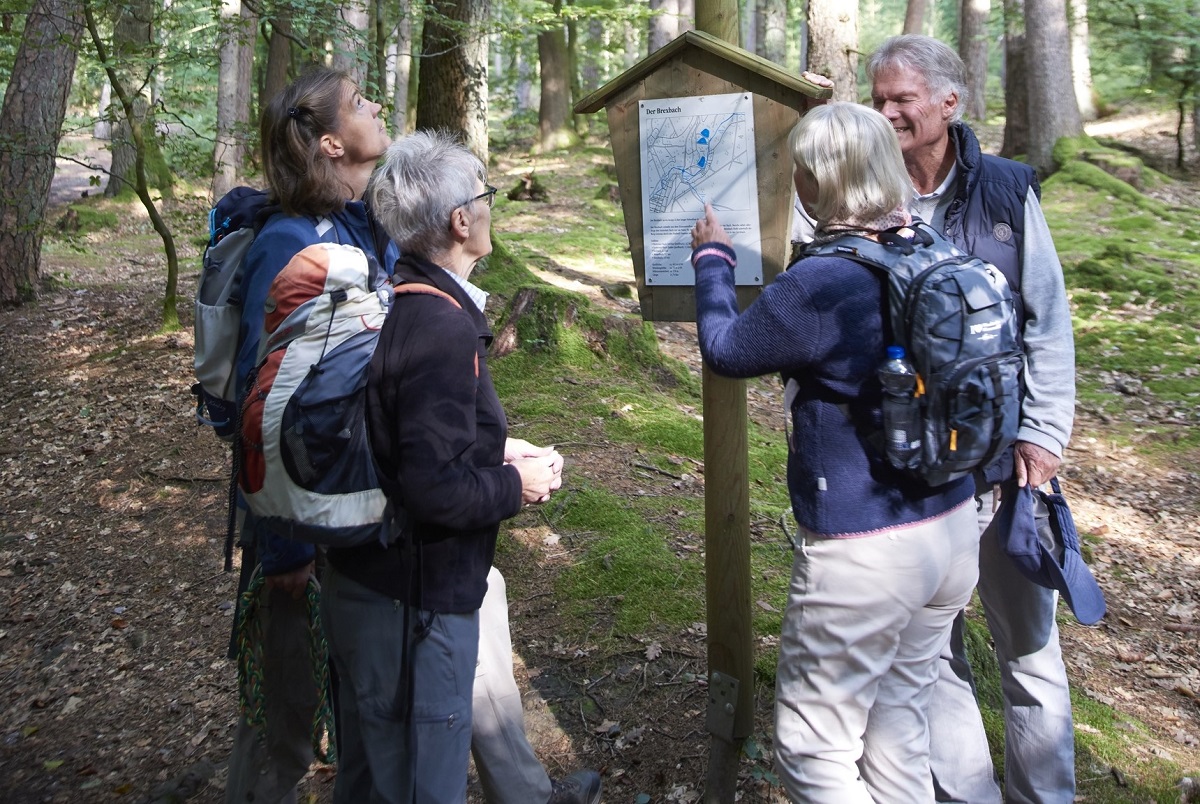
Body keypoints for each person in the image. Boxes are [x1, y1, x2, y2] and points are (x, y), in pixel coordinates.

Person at [690, 102, 982, 802]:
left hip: (864, 551)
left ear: (818, 182)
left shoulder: (823, 282)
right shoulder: (929, 246)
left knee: (814, 754)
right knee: (899, 727)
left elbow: (728, 351)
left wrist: (711, 261)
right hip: (949, 528)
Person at [319, 129, 579, 804]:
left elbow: (405, 436)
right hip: (411, 603)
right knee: (416, 784)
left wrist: (496, 450)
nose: (493, 208)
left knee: (372, 778)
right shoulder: (439, 327)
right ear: (462, 220)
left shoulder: (402, 297)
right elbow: (434, 489)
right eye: (486, 197)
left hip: (372, 584)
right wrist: (514, 484)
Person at [866, 35, 1078, 804]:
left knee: (1030, 652)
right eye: (877, 100)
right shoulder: (867, 190)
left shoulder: (1008, 190)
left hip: (1008, 466)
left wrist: (1045, 433)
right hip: (915, 475)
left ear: (948, 105)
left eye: (901, 101)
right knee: (936, 655)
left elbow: (1047, 320)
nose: (885, 113)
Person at [224, 66, 395, 804]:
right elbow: (253, 398)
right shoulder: (283, 243)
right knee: (284, 714)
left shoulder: (357, 221)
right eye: (361, 104)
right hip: (294, 513)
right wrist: (283, 544)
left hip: (353, 501)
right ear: (330, 142)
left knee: (359, 692)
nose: (377, 106)